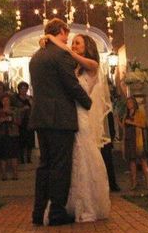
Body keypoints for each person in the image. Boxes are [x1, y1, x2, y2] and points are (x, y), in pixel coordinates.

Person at [29, 18, 92, 226]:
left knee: (44, 166)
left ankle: (38, 212)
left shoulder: (36, 57)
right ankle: (57, 211)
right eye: (67, 33)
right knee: (60, 166)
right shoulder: (61, 55)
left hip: (40, 117)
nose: (69, 38)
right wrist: (87, 101)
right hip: (60, 119)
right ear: (62, 31)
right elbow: (71, 85)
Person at [44, 31, 111, 222]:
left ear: (87, 47)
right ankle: (69, 204)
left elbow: (82, 68)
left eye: (78, 44)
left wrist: (62, 47)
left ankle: (88, 204)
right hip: (68, 117)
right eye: (72, 44)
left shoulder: (92, 66)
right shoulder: (73, 70)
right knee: (70, 161)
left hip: (82, 117)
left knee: (83, 157)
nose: (73, 46)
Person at [118, 96, 148, 190]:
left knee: (143, 160)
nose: (129, 104)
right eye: (128, 103)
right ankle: (134, 183)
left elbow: (143, 124)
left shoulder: (139, 113)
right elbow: (124, 127)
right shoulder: (126, 115)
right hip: (129, 140)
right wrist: (119, 122)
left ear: (134, 103)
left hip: (137, 140)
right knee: (132, 162)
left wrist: (132, 122)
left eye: (130, 102)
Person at [0, 92, 21, 180]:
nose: (5, 102)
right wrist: (0, 121)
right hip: (2, 134)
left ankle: (15, 174)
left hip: (13, 134)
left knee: (14, 154)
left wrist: (11, 118)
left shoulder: (15, 110)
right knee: (3, 155)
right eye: (3, 100)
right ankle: (4, 174)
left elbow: (19, 122)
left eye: (7, 100)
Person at [14, 81, 34, 164]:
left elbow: (34, 108)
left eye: (25, 89)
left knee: (29, 140)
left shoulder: (30, 98)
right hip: (20, 122)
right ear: (19, 90)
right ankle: (21, 158)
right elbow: (14, 110)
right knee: (21, 140)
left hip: (29, 121)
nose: (23, 90)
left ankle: (29, 158)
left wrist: (30, 102)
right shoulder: (16, 99)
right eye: (22, 89)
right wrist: (22, 109)